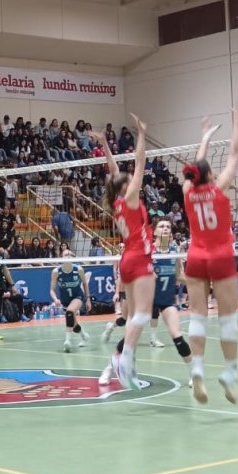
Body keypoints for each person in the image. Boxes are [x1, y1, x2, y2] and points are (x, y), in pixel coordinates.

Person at [180, 108, 238, 404]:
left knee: (197, 317)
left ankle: (197, 368)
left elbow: (195, 166)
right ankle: (230, 373)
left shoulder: (187, 192)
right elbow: (235, 152)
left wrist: (204, 137)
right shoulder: (219, 188)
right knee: (228, 319)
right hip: (220, 256)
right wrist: (237, 121)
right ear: (210, 175)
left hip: (195, 256)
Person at [89, 113, 153, 389]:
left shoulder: (116, 201)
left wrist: (104, 143)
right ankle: (122, 358)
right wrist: (141, 134)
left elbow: (113, 170)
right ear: (127, 186)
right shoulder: (130, 197)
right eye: (128, 179)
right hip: (139, 258)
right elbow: (140, 162)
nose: (129, 177)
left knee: (133, 318)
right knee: (142, 315)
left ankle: (126, 360)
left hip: (126, 259)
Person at [101, 219, 195, 386]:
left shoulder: (174, 253)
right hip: (146, 301)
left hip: (167, 301)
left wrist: (197, 282)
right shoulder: (148, 251)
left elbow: (178, 276)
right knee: (129, 339)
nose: (165, 228)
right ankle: (108, 369)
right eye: (161, 226)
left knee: (177, 336)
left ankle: (193, 373)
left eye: (168, 226)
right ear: (156, 232)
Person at [49, 249, 90, 352]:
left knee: (70, 311)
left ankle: (67, 341)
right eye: (65, 254)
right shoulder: (56, 272)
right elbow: (52, 290)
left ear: (73, 258)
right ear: (61, 257)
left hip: (78, 297)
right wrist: (55, 299)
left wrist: (88, 299)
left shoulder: (79, 269)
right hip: (65, 300)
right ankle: (84, 336)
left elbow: (85, 284)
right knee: (73, 323)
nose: (67, 256)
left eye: (70, 255)